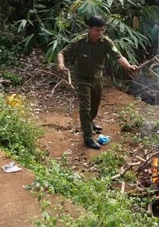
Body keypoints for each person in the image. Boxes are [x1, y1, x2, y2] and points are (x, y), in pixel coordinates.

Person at [57, 15, 138, 149]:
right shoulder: (80, 41)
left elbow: (118, 56)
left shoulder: (106, 42)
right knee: (85, 107)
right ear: (89, 29)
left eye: (102, 30)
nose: (99, 33)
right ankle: (88, 137)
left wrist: (128, 66)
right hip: (82, 78)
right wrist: (61, 65)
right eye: (97, 30)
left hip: (97, 78)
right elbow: (62, 53)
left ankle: (91, 121)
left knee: (95, 105)